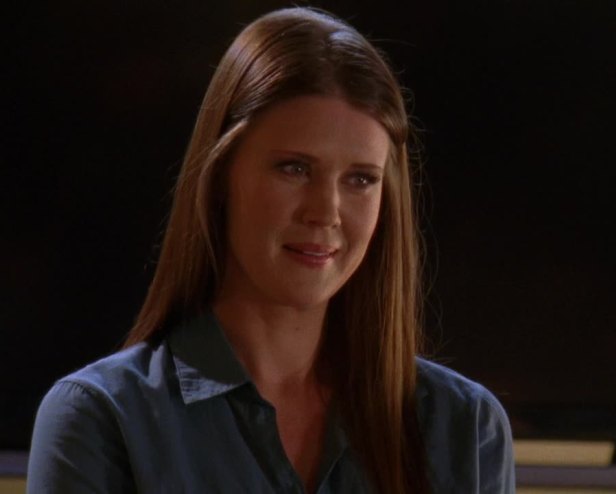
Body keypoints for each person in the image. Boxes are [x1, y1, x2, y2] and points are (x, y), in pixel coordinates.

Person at [27, 6, 515, 493]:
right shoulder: (102, 419)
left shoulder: (465, 428)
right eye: (294, 169)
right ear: (221, 177)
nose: (325, 212)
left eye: (361, 179)